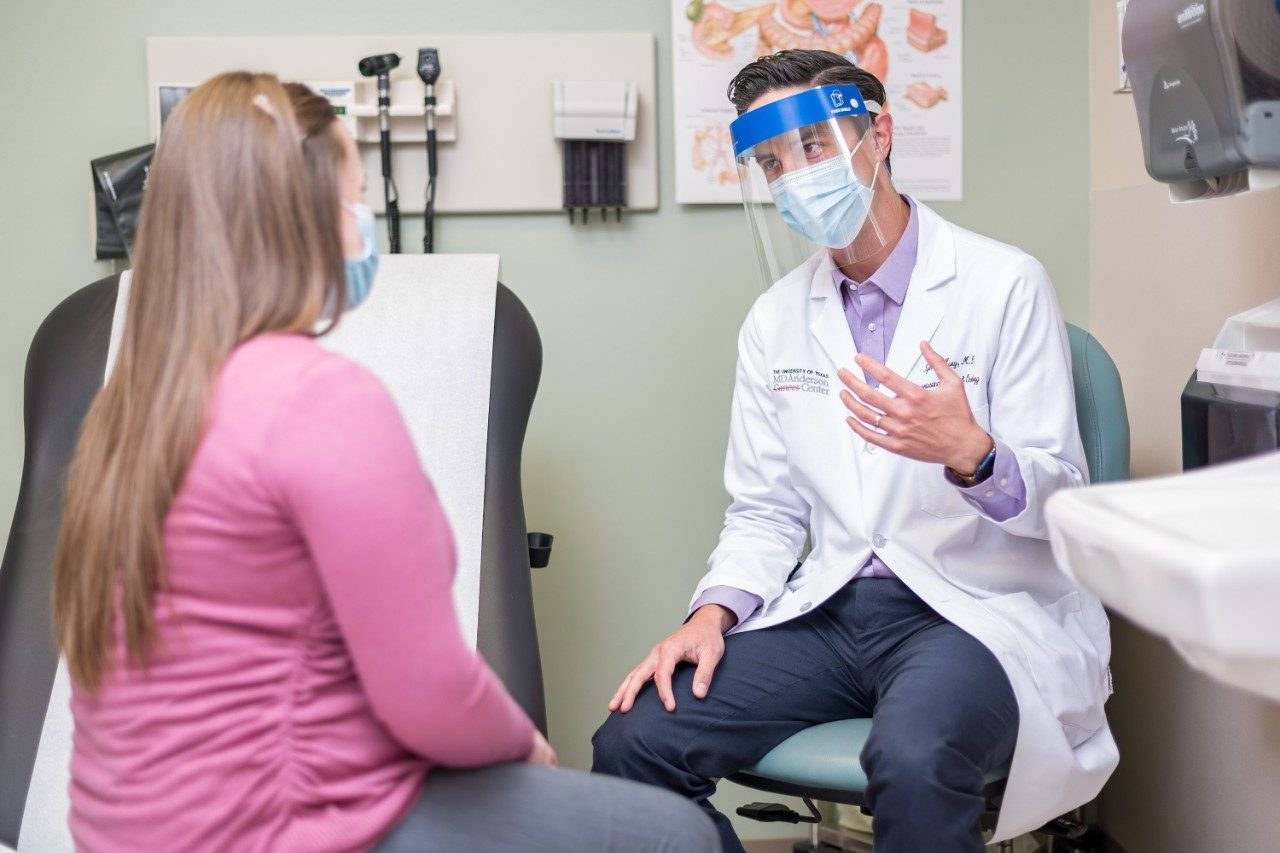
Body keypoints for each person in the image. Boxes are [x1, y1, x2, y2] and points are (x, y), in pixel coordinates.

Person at [53, 73, 719, 853]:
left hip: (120, 829)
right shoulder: (317, 398)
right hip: (270, 830)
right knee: (673, 835)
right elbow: (427, 689)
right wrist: (525, 745)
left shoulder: (131, 405)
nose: (364, 224)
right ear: (297, 220)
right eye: (354, 198)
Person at [593, 50, 1117, 852]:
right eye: (772, 162)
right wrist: (710, 614)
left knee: (911, 755)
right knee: (632, 741)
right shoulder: (775, 319)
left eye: (812, 147)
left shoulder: (1004, 284)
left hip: (971, 608)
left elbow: (1068, 504)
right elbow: (765, 511)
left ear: (879, 133)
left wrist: (975, 455)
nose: (794, 176)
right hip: (834, 609)